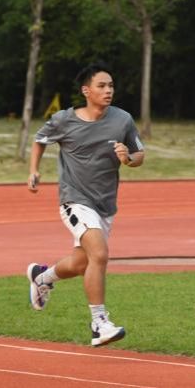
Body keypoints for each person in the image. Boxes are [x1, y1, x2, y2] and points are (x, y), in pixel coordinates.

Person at [26, 62, 145, 347]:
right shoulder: (64, 120)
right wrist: (34, 171)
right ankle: (99, 324)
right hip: (75, 199)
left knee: (82, 263)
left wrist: (128, 158)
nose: (108, 90)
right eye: (101, 86)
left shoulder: (122, 120)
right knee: (100, 255)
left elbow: (139, 155)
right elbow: (40, 140)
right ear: (86, 91)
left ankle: (42, 278)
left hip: (105, 204)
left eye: (111, 85)